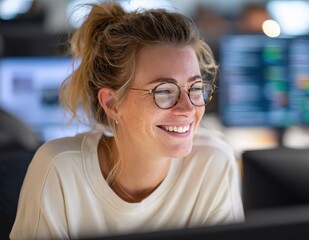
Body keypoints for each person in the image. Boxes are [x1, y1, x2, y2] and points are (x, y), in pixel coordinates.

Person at [10, 2, 244, 239]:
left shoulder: (212, 163)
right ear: (112, 103)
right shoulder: (59, 170)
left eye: (195, 88)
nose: (188, 108)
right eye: (164, 91)